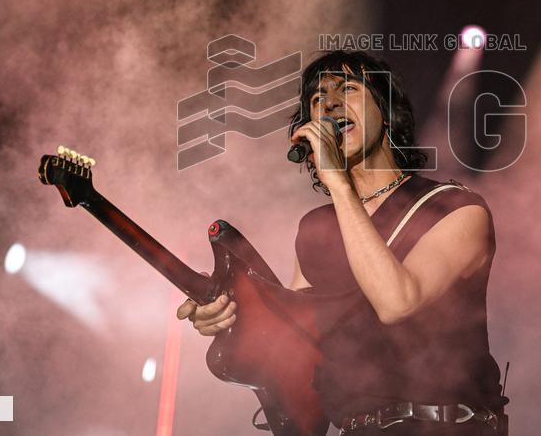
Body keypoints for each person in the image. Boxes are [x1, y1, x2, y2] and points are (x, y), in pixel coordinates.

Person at [178, 50, 507, 435]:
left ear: (386, 113)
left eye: (348, 89)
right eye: (318, 98)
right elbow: (295, 345)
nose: (330, 104)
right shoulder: (316, 229)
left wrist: (337, 182)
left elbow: (398, 302)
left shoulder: (455, 208)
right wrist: (226, 315)